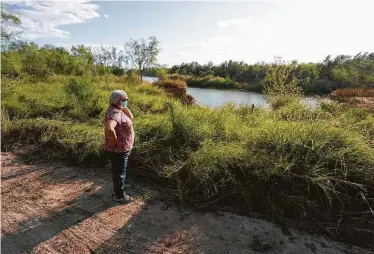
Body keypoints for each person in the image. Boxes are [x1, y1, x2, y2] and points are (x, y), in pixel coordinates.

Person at [104, 90, 134, 202]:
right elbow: (109, 127)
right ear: (117, 101)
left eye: (127, 100)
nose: (126, 102)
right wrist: (114, 142)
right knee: (120, 173)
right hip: (118, 150)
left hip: (120, 149)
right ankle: (119, 196)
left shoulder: (118, 110)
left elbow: (131, 117)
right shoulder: (115, 113)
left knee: (118, 171)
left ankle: (117, 190)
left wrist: (124, 107)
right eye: (124, 100)